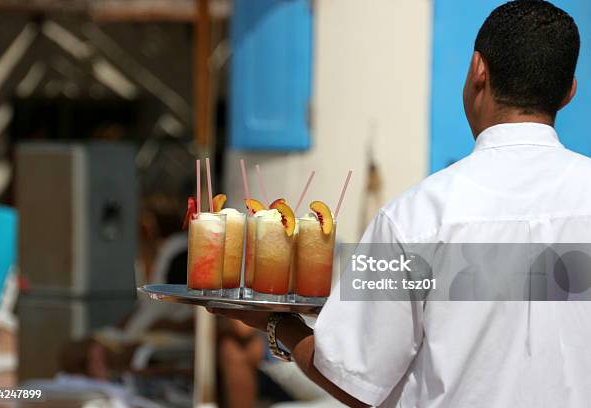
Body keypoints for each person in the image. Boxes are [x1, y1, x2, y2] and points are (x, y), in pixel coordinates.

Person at [212, 1, 591, 407]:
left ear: (478, 70)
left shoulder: (415, 217)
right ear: (569, 91)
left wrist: (276, 324)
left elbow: (354, 379)